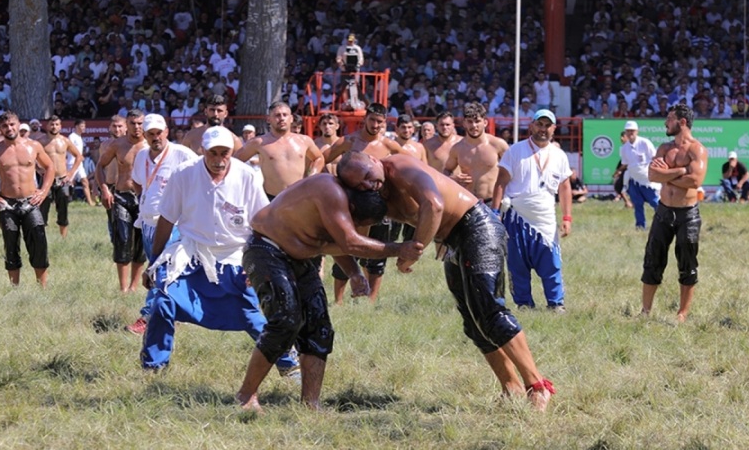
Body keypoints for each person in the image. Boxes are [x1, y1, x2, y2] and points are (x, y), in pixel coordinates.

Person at [336, 152, 555, 410]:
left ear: (374, 160)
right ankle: (511, 387)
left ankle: (538, 386)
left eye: (367, 176)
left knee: (489, 311)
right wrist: (355, 272)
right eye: (359, 185)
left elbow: (434, 204)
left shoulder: (398, 166)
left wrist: (414, 251)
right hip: (451, 240)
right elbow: (353, 239)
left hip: (476, 225)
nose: (368, 185)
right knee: (473, 321)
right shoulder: (371, 194)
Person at [235, 168, 424, 411]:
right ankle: (246, 396)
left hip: (299, 257)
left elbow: (334, 242)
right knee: (285, 321)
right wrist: (399, 248)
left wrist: (354, 273)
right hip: (266, 249)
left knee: (319, 326)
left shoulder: (341, 203)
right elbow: (349, 242)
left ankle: (310, 403)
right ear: (353, 210)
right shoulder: (329, 191)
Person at [124, 114, 199, 335]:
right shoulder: (141, 156)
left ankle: (148, 316)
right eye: (151, 134)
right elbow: (138, 184)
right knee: (157, 268)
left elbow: (201, 177)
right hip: (147, 222)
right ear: (144, 135)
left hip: (172, 224)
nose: (156, 137)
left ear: (166, 131)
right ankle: (174, 312)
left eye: (159, 133)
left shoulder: (182, 154)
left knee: (160, 270)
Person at [323, 102, 404, 303]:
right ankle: (339, 301)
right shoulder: (348, 141)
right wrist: (328, 181)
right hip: (352, 205)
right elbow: (320, 159)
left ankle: (371, 300)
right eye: (373, 120)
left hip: (380, 205)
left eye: (380, 122)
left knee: (378, 251)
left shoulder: (389, 146)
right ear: (364, 119)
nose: (376, 125)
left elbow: (411, 167)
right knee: (347, 249)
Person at [492, 110, 573, 312]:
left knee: (551, 262)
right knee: (517, 262)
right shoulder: (515, 151)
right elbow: (500, 182)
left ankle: (556, 304)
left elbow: (565, 188)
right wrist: (495, 213)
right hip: (516, 216)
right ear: (531, 125)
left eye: (548, 125)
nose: (543, 129)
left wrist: (567, 217)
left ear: (554, 128)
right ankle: (524, 304)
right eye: (540, 124)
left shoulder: (559, 155)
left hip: (545, 216)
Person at [640, 105, 708, 322]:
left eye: (669, 119)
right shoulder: (664, 148)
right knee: (653, 258)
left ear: (682, 122)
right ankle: (645, 310)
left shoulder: (697, 150)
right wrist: (680, 171)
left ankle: (682, 313)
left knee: (687, 261)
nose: (665, 123)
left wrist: (665, 174)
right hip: (664, 210)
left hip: (687, 214)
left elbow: (695, 181)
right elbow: (652, 174)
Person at [0, 112, 55, 288]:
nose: (9, 128)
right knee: (10, 244)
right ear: (0, 129)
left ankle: (42, 287)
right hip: (7, 203)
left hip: (31, 201)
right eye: (5, 126)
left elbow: (49, 166)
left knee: (38, 241)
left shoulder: (33, 146)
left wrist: (44, 191)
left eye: (12, 124)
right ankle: (14, 287)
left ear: (18, 124)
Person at [95, 109, 148, 293]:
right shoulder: (118, 145)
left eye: (140, 123)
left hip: (145, 198)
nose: (136, 127)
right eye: (133, 123)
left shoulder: (151, 145)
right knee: (123, 239)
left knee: (141, 242)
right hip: (122, 195)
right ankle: (123, 287)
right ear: (127, 124)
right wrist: (104, 190)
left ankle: (134, 286)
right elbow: (100, 166)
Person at [234, 101, 324, 200]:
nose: (281, 118)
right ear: (269, 119)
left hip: (299, 197)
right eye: (277, 115)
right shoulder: (259, 142)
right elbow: (234, 162)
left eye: (285, 115)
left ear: (291, 118)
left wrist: (311, 177)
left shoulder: (304, 140)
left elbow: (318, 158)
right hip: (271, 198)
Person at [443, 102, 509, 204]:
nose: (474, 125)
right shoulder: (457, 148)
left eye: (477, 121)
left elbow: (513, 171)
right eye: (470, 121)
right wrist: (453, 178)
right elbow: (447, 170)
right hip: (468, 202)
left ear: (485, 122)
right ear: (464, 123)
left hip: (492, 202)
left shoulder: (498, 145)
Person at [39, 115, 84, 238]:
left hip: (62, 178)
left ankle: (63, 238)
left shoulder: (65, 141)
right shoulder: (40, 141)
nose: (54, 127)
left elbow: (79, 157)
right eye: (52, 124)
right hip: (46, 179)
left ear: (60, 126)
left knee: (63, 208)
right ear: (47, 126)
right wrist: (38, 170)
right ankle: (41, 237)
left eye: (57, 124)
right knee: (43, 206)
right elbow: (31, 159)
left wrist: (70, 174)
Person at [619, 120, 660, 228]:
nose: (630, 133)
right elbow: (626, 164)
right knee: (637, 204)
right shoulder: (624, 148)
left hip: (647, 179)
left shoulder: (644, 143)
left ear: (637, 131)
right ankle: (640, 225)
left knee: (655, 202)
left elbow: (654, 158)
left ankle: (664, 222)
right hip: (634, 179)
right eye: (628, 131)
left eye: (632, 131)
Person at [68, 119, 95, 205]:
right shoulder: (72, 136)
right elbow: (69, 148)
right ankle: (68, 200)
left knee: (85, 181)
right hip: (71, 163)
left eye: (84, 126)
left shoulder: (79, 137)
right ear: (76, 126)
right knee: (69, 183)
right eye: (82, 126)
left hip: (79, 163)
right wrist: (78, 156)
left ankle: (90, 202)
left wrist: (81, 156)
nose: (84, 128)